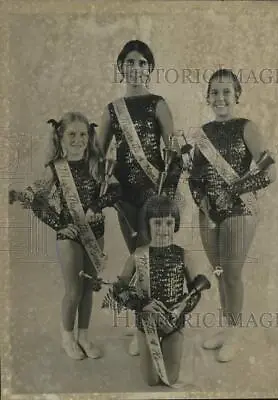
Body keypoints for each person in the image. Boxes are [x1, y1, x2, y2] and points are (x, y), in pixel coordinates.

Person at [10, 112, 121, 360]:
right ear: (60, 137)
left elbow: (116, 190)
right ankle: (67, 337)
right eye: (71, 134)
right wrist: (58, 225)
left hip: (96, 233)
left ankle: (84, 335)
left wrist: (96, 206)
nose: (78, 139)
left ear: (89, 136)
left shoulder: (98, 164)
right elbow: (34, 200)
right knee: (74, 291)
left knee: (88, 288)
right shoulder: (55, 169)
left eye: (83, 134)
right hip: (69, 236)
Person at [98, 40, 183, 355]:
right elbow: (97, 154)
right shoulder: (112, 109)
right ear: (121, 67)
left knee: (157, 258)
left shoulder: (158, 103)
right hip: (125, 195)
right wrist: (102, 181)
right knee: (139, 258)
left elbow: (173, 150)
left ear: (150, 68)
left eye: (142, 63)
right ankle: (142, 327)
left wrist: (167, 195)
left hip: (153, 192)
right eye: (130, 62)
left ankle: (163, 323)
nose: (136, 68)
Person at [188, 69, 277, 362]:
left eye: (226, 91)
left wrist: (233, 190)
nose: (220, 97)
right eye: (215, 91)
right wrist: (201, 201)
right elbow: (195, 177)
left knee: (233, 274)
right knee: (220, 274)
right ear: (207, 97)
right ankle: (226, 328)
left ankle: (235, 334)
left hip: (240, 209)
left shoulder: (247, 127)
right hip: (209, 213)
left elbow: (270, 173)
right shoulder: (202, 133)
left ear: (237, 94)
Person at [110, 195, 210, 386]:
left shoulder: (184, 256)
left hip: (173, 326)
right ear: (147, 224)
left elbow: (195, 292)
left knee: (170, 379)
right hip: (146, 325)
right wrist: (142, 304)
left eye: (168, 223)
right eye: (157, 223)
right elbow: (118, 291)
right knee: (151, 381)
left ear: (176, 225)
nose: (163, 229)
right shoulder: (137, 256)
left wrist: (181, 308)